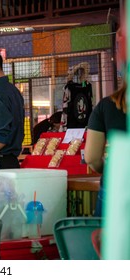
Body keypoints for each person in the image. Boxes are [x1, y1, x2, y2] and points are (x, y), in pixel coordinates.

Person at [84, 19, 127, 217]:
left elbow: (92, 157)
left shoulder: (107, 106)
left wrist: (107, 168)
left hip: (115, 187)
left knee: (108, 247)